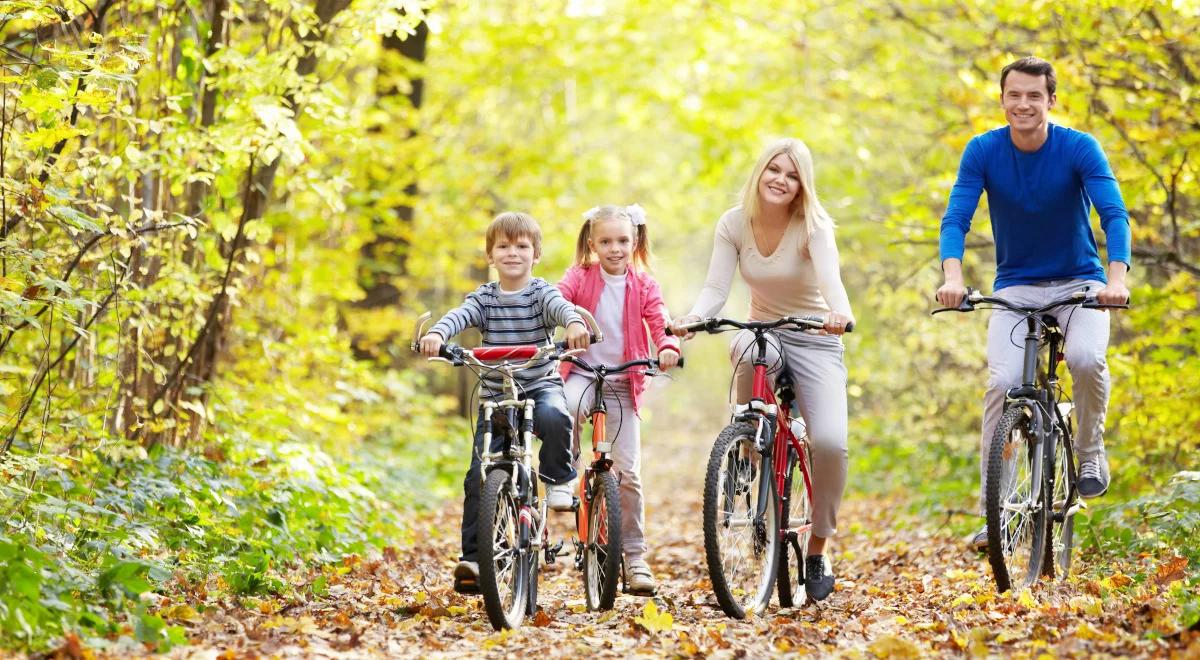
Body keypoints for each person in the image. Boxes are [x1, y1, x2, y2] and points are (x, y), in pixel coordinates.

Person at [934, 56, 1132, 551]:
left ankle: (1088, 451)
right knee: (1001, 385)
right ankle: (994, 514)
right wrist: (953, 277)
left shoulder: (1078, 148)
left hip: (1080, 284)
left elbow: (1113, 215)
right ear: (1003, 100)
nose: (1023, 104)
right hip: (1016, 286)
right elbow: (957, 217)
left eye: (1034, 95)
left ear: (1051, 100)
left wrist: (1116, 280)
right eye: (1014, 95)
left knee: (1086, 359)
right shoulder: (982, 151)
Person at [672, 138, 855, 601]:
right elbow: (716, 288)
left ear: (802, 185)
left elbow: (832, 282)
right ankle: (745, 449)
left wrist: (839, 313)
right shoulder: (734, 223)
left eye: (792, 175)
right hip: (764, 330)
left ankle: (817, 546)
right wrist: (695, 317)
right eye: (774, 169)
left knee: (830, 443)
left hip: (815, 335)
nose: (781, 180)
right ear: (760, 171)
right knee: (751, 349)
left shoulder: (814, 226)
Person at [419, 211, 591, 593]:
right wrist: (436, 333)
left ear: (536, 254)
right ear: (490, 255)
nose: (512, 253)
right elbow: (458, 317)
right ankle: (474, 560)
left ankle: (559, 477)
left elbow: (563, 310)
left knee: (554, 415)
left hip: (538, 382)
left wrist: (575, 324)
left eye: (522, 246)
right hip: (497, 393)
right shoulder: (484, 297)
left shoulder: (540, 293)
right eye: (503, 246)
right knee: (478, 475)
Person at [556, 203, 681, 595]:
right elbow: (557, 300)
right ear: (592, 243)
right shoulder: (579, 276)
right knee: (567, 408)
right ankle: (564, 473)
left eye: (623, 240)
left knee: (627, 472)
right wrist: (568, 320)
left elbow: (659, 320)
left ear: (635, 241)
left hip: (622, 382)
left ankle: (635, 556)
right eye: (606, 241)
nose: (615, 248)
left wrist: (667, 345)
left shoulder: (644, 284)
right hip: (581, 372)